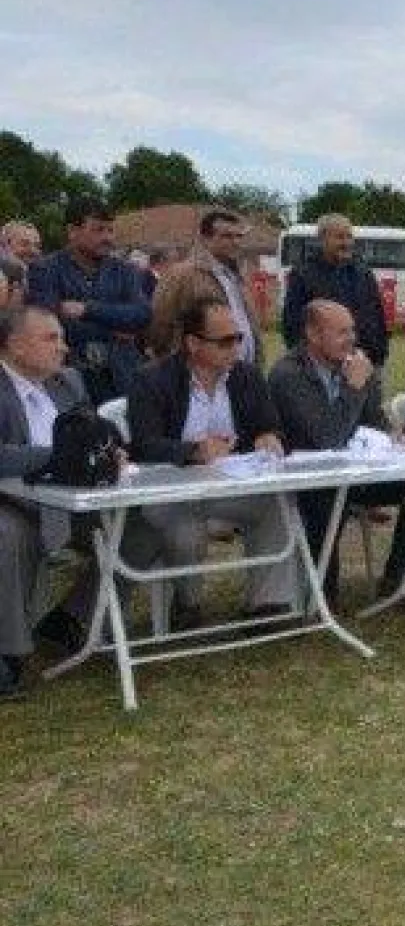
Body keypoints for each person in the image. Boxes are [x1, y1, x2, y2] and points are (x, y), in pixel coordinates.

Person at [126, 298, 293, 624]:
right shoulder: (151, 380)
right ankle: (187, 605)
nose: (236, 348)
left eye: (239, 338)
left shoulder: (246, 377)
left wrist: (269, 437)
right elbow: (143, 446)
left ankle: (267, 604)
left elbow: (270, 425)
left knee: (277, 503)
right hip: (171, 492)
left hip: (231, 486)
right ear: (193, 343)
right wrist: (192, 451)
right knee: (184, 528)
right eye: (225, 341)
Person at [267, 300, 405, 605]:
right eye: (342, 332)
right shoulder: (288, 374)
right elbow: (324, 437)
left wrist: (392, 438)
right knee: (324, 499)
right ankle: (321, 595)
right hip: (307, 479)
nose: (351, 340)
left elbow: (374, 423)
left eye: (353, 331)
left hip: (355, 472)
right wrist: (355, 387)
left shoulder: (356, 364)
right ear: (313, 335)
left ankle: (402, 575)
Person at [0, 307, 103, 697]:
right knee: (8, 535)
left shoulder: (69, 382)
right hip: (13, 499)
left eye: (61, 338)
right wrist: (57, 456)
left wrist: (108, 452)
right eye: (51, 339)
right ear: (15, 346)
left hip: (76, 500)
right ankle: (8, 652)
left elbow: (93, 433)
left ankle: (71, 617)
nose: (63, 348)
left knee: (144, 522)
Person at [24, 197, 151, 404]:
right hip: (68, 376)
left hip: (124, 376)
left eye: (110, 230)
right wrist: (115, 327)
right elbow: (46, 324)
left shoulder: (125, 270)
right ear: (73, 231)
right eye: (99, 230)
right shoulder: (44, 269)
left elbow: (142, 316)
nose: (108, 237)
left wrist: (86, 310)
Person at [150, 210, 264, 367]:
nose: (236, 242)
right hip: (200, 375)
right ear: (205, 239)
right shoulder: (181, 275)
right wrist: (177, 371)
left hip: (242, 374)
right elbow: (161, 325)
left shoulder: (236, 276)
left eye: (239, 236)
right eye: (227, 236)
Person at [281, 214, 389, 368]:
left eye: (349, 237)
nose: (346, 243)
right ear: (322, 239)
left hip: (364, 362)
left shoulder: (363, 273)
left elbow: (377, 317)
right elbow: (292, 325)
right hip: (324, 366)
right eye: (339, 237)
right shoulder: (303, 275)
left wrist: (379, 355)